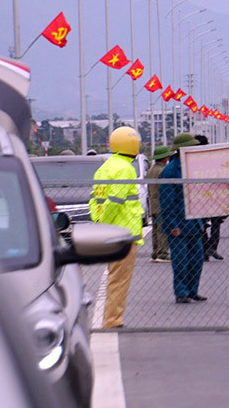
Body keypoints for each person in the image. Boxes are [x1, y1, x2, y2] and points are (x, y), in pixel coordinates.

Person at [88, 126, 144, 328]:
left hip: (111, 232)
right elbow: (115, 200)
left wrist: (99, 221)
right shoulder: (126, 168)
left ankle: (112, 318)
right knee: (120, 280)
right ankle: (113, 320)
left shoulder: (104, 167)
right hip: (124, 233)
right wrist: (106, 223)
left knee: (114, 278)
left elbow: (95, 200)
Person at [159, 133, 206, 303]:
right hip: (178, 222)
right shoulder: (171, 171)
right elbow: (166, 201)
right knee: (180, 261)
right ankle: (181, 292)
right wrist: (172, 224)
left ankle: (193, 290)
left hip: (194, 221)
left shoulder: (193, 167)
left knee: (197, 258)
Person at [194, 135, 226, 261]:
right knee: (214, 223)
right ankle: (210, 248)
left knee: (205, 224)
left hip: (202, 196)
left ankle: (207, 249)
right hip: (211, 196)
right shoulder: (210, 157)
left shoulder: (194, 158)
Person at [146, 145, 172, 263]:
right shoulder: (162, 171)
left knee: (155, 230)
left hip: (153, 202)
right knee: (162, 230)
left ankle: (155, 252)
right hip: (161, 203)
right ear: (164, 158)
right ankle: (163, 253)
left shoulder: (151, 169)